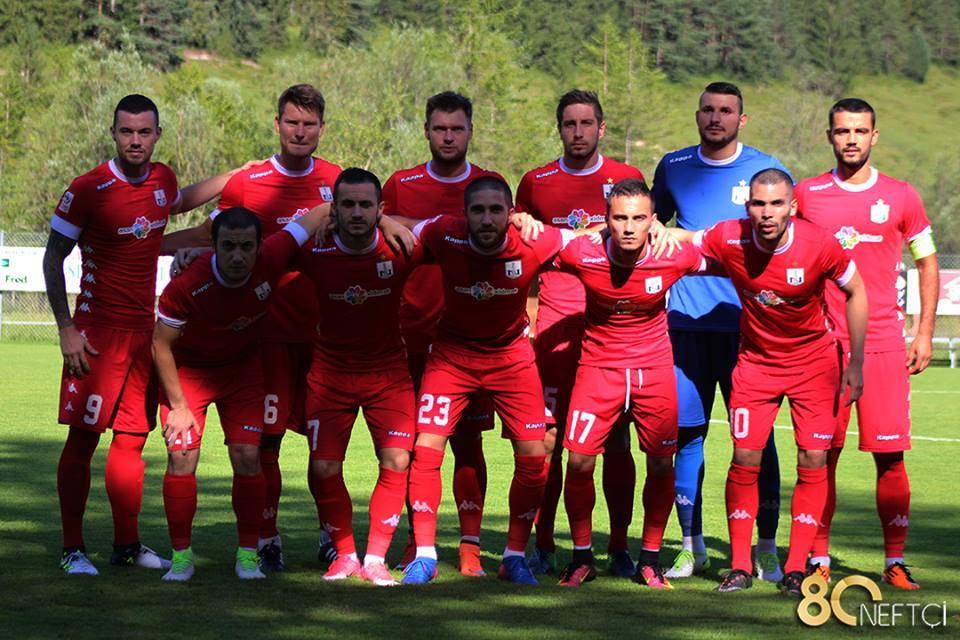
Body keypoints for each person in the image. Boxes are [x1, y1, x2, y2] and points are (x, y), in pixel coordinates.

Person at [44, 94, 246, 575]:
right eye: (127, 131)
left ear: (157, 135)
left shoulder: (163, 179)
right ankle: (72, 548)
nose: (135, 140)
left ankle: (126, 545)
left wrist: (238, 175)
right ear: (114, 133)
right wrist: (66, 329)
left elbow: (180, 201)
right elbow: (52, 258)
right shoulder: (88, 189)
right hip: (96, 334)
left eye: (144, 132)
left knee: (132, 440)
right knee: (82, 441)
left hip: (143, 334)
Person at [160, 84, 342, 570]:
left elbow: (365, 223)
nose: (299, 132)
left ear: (322, 129)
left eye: (309, 124)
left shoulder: (337, 181)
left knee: (326, 446)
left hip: (326, 335)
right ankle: (266, 536)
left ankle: (331, 536)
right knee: (266, 443)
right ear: (277, 124)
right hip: (268, 337)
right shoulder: (248, 181)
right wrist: (181, 250)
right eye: (291, 122)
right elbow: (214, 236)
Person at [670, 169, 867, 594]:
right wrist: (629, 229)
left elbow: (857, 290)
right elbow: (683, 240)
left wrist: (856, 361)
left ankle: (795, 568)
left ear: (792, 207)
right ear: (748, 207)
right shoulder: (729, 236)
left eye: (777, 203)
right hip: (756, 364)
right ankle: (740, 567)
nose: (767, 212)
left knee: (813, 459)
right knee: (745, 456)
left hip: (815, 365)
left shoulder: (819, 244)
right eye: (759, 204)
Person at [795, 98, 939, 590]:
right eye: (842, 131)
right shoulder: (806, 194)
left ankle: (894, 561)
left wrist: (923, 331)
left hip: (883, 346)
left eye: (860, 131)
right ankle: (818, 558)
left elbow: (927, 262)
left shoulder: (902, 196)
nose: (851, 139)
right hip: (823, 347)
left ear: (874, 136)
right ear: (830, 136)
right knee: (821, 457)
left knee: (891, 456)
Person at [395, 177, 568, 585]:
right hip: (452, 357)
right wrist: (383, 221)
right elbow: (401, 225)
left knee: (534, 453)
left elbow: (590, 238)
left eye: (495, 210)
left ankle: (513, 556)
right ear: (464, 214)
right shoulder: (444, 232)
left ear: (511, 214)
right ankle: (424, 555)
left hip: (511, 359)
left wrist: (654, 228)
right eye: (478, 210)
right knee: (426, 449)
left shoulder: (534, 240)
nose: (486, 219)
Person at [652, 82, 789, 580]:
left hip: (748, 331)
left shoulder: (766, 169)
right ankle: (692, 547)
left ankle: (766, 548)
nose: (716, 118)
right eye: (708, 110)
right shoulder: (673, 166)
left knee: (757, 442)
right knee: (686, 436)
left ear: (741, 119)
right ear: (697, 115)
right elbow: (650, 229)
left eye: (726, 111)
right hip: (685, 327)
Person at [152, 205, 326, 581]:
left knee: (249, 457)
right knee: (182, 457)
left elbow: (318, 214)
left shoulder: (272, 256)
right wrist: (178, 406)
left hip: (243, 372)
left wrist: (383, 220)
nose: (237, 256)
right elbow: (160, 344)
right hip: (190, 373)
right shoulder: (187, 283)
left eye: (246, 247)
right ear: (212, 246)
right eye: (228, 246)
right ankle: (181, 558)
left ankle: (248, 556)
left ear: (260, 246)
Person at [515, 89, 644, 576]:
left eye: (586, 123)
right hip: (553, 328)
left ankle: (619, 547)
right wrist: (526, 315)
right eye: (569, 124)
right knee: (547, 440)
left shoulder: (626, 178)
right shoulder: (536, 182)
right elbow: (522, 254)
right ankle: (545, 544)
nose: (578, 132)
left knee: (615, 443)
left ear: (601, 128)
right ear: (559, 128)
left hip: (611, 330)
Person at [555, 178, 706, 589]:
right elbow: (528, 248)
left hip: (653, 370)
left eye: (639, 218)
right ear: (605, 220)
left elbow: (728, 252)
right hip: (598, 368)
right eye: (619, 218)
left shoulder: (673, 254)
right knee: (579, 461)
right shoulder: (581, 251)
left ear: (653, 220)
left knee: (660, 463)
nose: (628, 227)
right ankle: (581, 557)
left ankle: (650, 560)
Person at [382, 92, 503, 576]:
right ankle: (418, 542)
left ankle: (470, 546)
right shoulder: (401, 183)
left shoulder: (489, 185)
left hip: (470, 339)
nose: (448, 137)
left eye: (456, 128)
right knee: (415, 445)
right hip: (411, 334)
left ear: (470, 130)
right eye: (439, 128)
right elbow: (374, 231)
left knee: (469, 445)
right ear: (427, 131)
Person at [297, 168, 423, 587]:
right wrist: (192, 253)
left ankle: (375, 558)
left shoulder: (400, 247)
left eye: (365, 205)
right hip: (330, 375)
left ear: (379, 209)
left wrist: (394, 224)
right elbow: (259, 251)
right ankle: (345, 554)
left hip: (388, 375)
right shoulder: (314, 250)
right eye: (347, 204)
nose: (356, 212)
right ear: (333, 208)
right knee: (323, 468)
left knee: (397, 461)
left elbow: (452, 234)